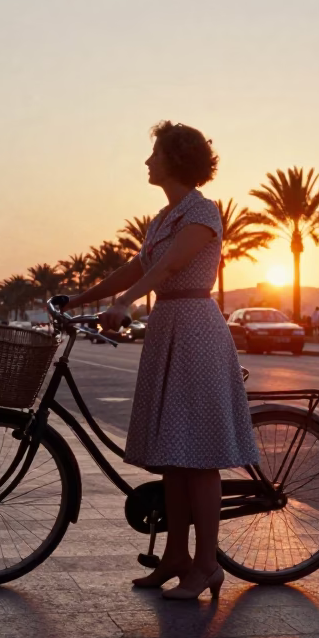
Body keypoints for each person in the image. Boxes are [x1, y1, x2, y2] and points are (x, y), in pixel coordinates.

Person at [65, 120, 257, 602]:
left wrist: (126, 303)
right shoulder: (164, 216)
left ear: (175, 159)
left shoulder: (202, 212)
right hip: (168, 328)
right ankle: (175, 558)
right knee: (174, 458)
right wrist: (81, 299)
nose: (148, 161)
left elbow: (168, 267)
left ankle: (207, 565)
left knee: (200, 460)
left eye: (155, 154)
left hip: (194, 329)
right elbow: (138, 266)